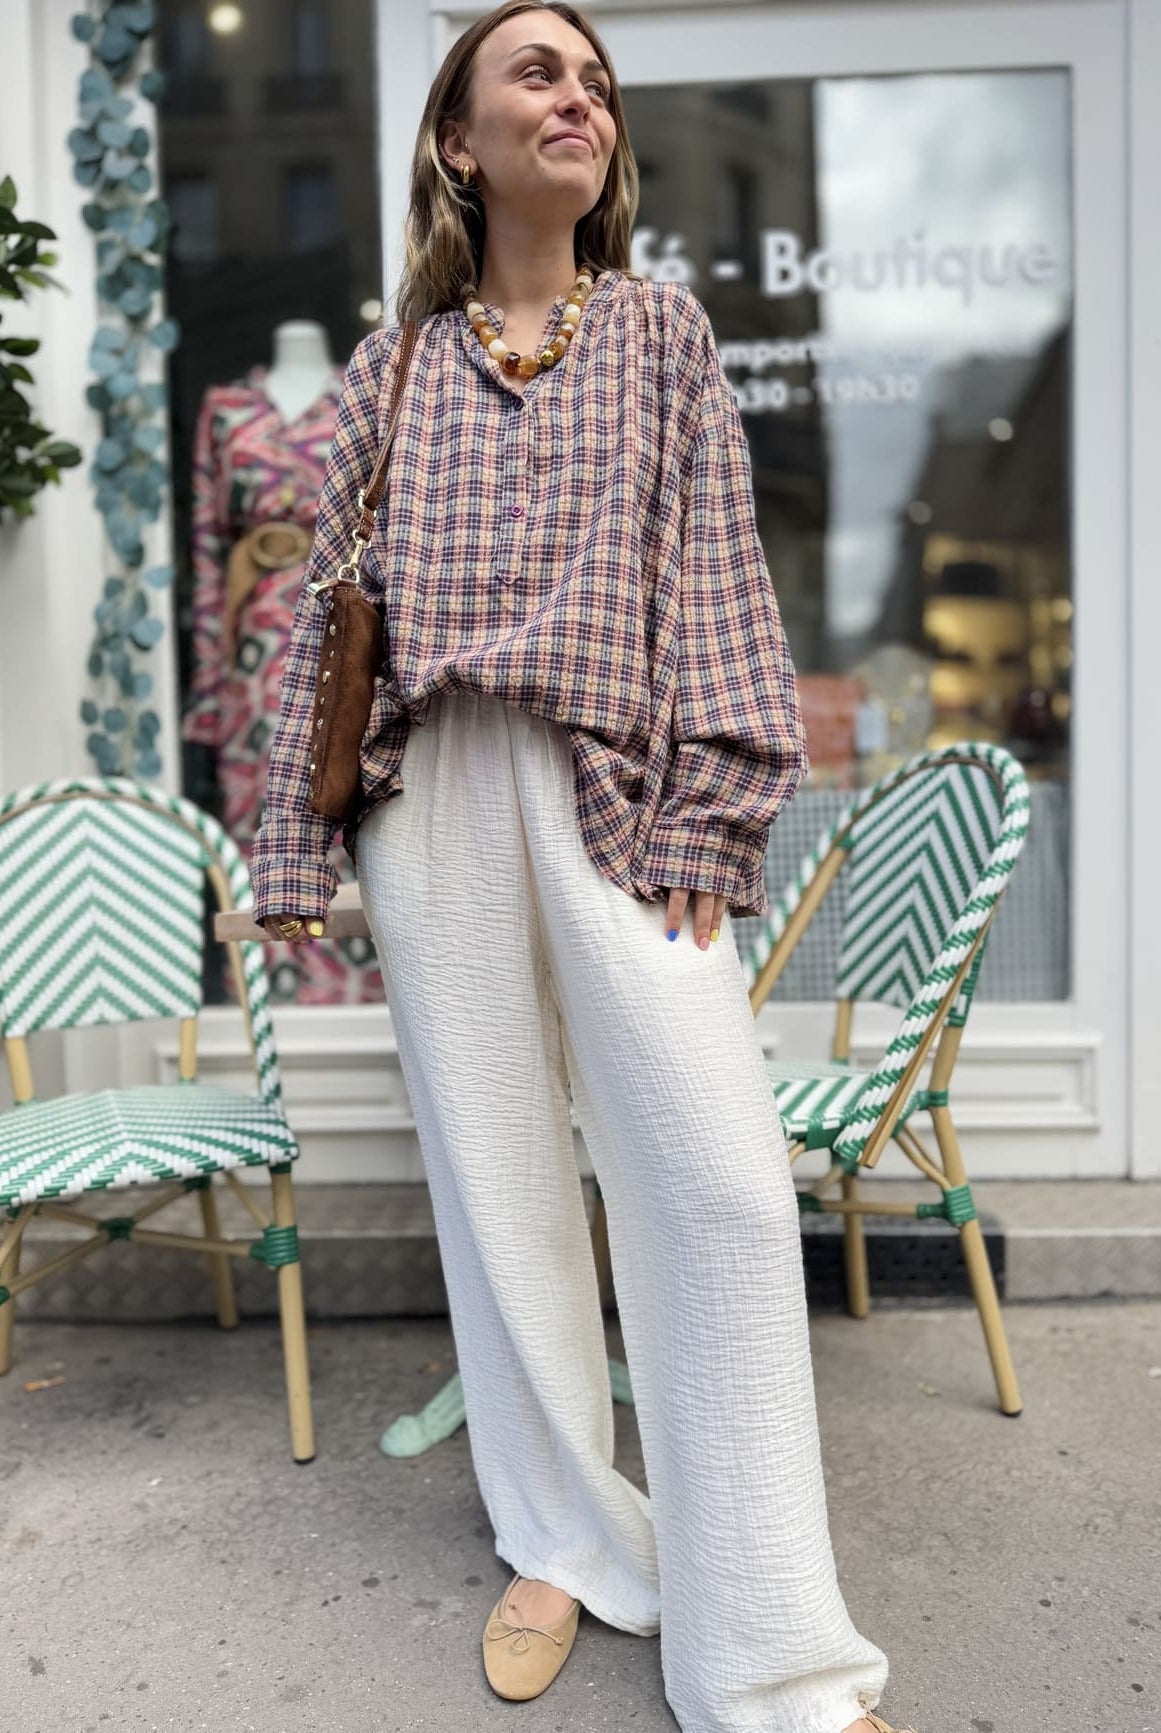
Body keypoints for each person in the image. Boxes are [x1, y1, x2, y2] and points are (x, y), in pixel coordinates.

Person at [250, 5, 916, 1730]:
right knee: (498, 1193)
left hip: (613, 779)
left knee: (715, 1185)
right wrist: (294, 843)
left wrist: (715, 801)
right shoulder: (393, 371)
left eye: (596, 79)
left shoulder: (664, 337)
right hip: (432, 795)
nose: (580, 95)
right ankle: (559, 1534)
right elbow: (321, 616)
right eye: (536, 73)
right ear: (458, 142)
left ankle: (767, 1643)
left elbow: (717, 585)